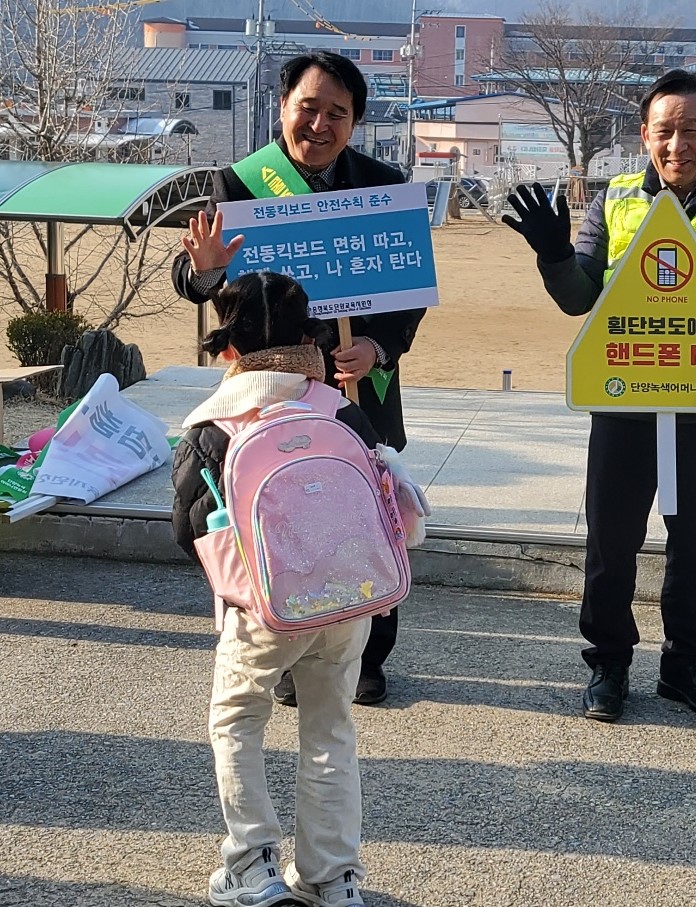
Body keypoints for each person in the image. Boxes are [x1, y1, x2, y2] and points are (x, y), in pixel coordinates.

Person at [503, 70, 696, 723]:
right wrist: (556, 256)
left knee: (694, 541)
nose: (677, 144)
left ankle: (685, 665)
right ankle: (608, 664)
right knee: (610, 541)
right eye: (663, 131)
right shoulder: (613, 199)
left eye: (690, 130)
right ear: (644, 135)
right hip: (625, 399)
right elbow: (579, 296)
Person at [172, 51, 423, 709]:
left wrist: (377, 343)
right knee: (276, 519)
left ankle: (368, 654)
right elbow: (197, 277)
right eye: (308, 108)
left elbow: (406, 293)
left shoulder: (383, 184)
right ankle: (285, 647)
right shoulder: (241, 183)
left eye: (336, 113)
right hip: (270, 395)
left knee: (365, 518)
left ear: (355, 122)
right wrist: (202, 272)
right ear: (283, 108)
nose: (320, 124)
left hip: (355, 390)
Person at [171, 272, 377, 907]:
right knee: (330, 727)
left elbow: (186, 529)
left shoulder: (214, 424)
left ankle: (252, 865)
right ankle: (333, 875)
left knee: (238, 720)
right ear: (308, 336)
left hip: (261, 605)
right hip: (349, 597)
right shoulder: (340, 410)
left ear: (229, 347)